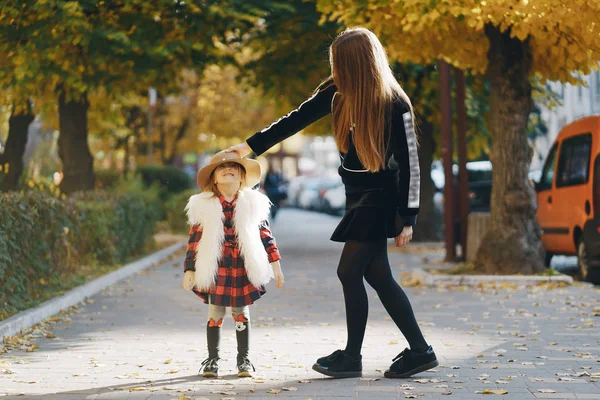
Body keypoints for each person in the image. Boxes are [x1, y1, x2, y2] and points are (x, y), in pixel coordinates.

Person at [225, 27, 437, 379]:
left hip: (380, 199)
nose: (334, 69)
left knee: (349, 271)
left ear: (355, 64)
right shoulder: (337, 93)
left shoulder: (394, 103)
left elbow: (411, 162)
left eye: (339, 62)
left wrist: (409, 216)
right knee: (379, 277)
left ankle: (353, 358)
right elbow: (295, 119)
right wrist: (248, 147)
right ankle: (419, 350)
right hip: (356, 198)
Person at [182, 152, 285, 378]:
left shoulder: (252, 204)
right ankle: (212, 360)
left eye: (234, 168)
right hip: (215, 266)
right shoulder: (204, 205)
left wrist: (275, 264)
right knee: (215, 312)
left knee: (241, 313)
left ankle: (244, 360)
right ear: (214, 179)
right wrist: (189, 269)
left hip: (242, 266)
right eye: (222, 168)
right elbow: (195, 240)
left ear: (242, 178)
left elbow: (266, 235)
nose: (228, 169)